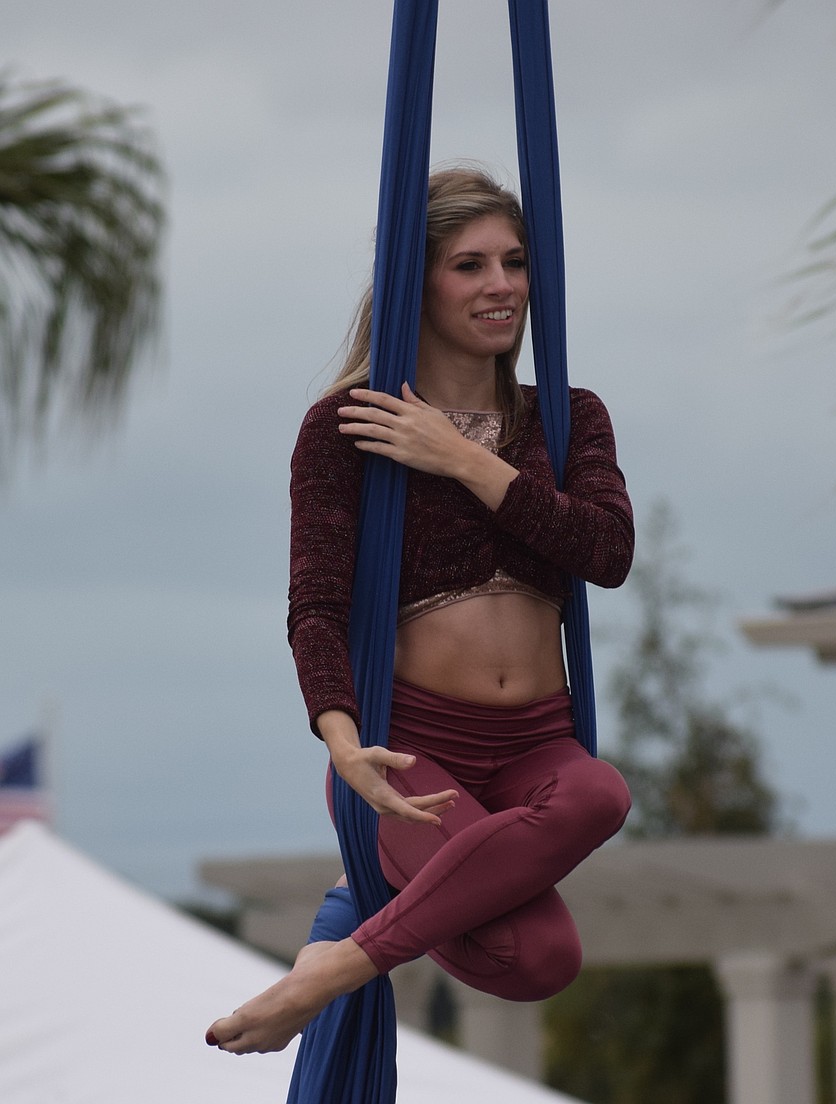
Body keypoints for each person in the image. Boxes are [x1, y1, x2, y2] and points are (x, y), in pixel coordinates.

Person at [206, 167, 633, 1055]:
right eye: (470, 265)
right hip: (412, 748)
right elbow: (316, 607)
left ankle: (336, 962)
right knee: (536, 954)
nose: (501, 285)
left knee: (600, 792)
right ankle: (374, 901)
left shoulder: (567, 418)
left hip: (538, 745)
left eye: (515, 262)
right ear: (416, 282)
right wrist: (343, 746)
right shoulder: (346, 429)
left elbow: (607, 552)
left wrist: (465, 459)